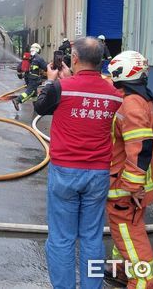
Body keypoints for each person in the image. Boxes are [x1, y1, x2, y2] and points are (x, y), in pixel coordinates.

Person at [33, 36, 123, 289]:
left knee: (62, 238)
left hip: (65, 173)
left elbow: (40, 107)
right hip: (99, 173)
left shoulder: (62, 88)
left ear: (74, 58)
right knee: (92, 237)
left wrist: (51, 81)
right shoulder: (115, 95)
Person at [104, 51, 153, 289]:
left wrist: (131, 187)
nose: (111, 77)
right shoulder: (140, 98)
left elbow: (140, 148)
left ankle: (143, 281)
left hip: (126, 192)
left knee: (131, 237)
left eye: (114, 73)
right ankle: (122, 271)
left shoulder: (132, 104)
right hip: (129, 189)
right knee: (123, 235)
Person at [12, 43, 47, 111]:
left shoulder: (27, 57)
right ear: (38, 50)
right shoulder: (38, 57)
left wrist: (20, 73)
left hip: (27, 77)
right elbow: (45, 67)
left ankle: (36, 108)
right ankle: (17, 100)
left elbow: (19, 68)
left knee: (34, 93)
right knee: (30, 92)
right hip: (34, 78)